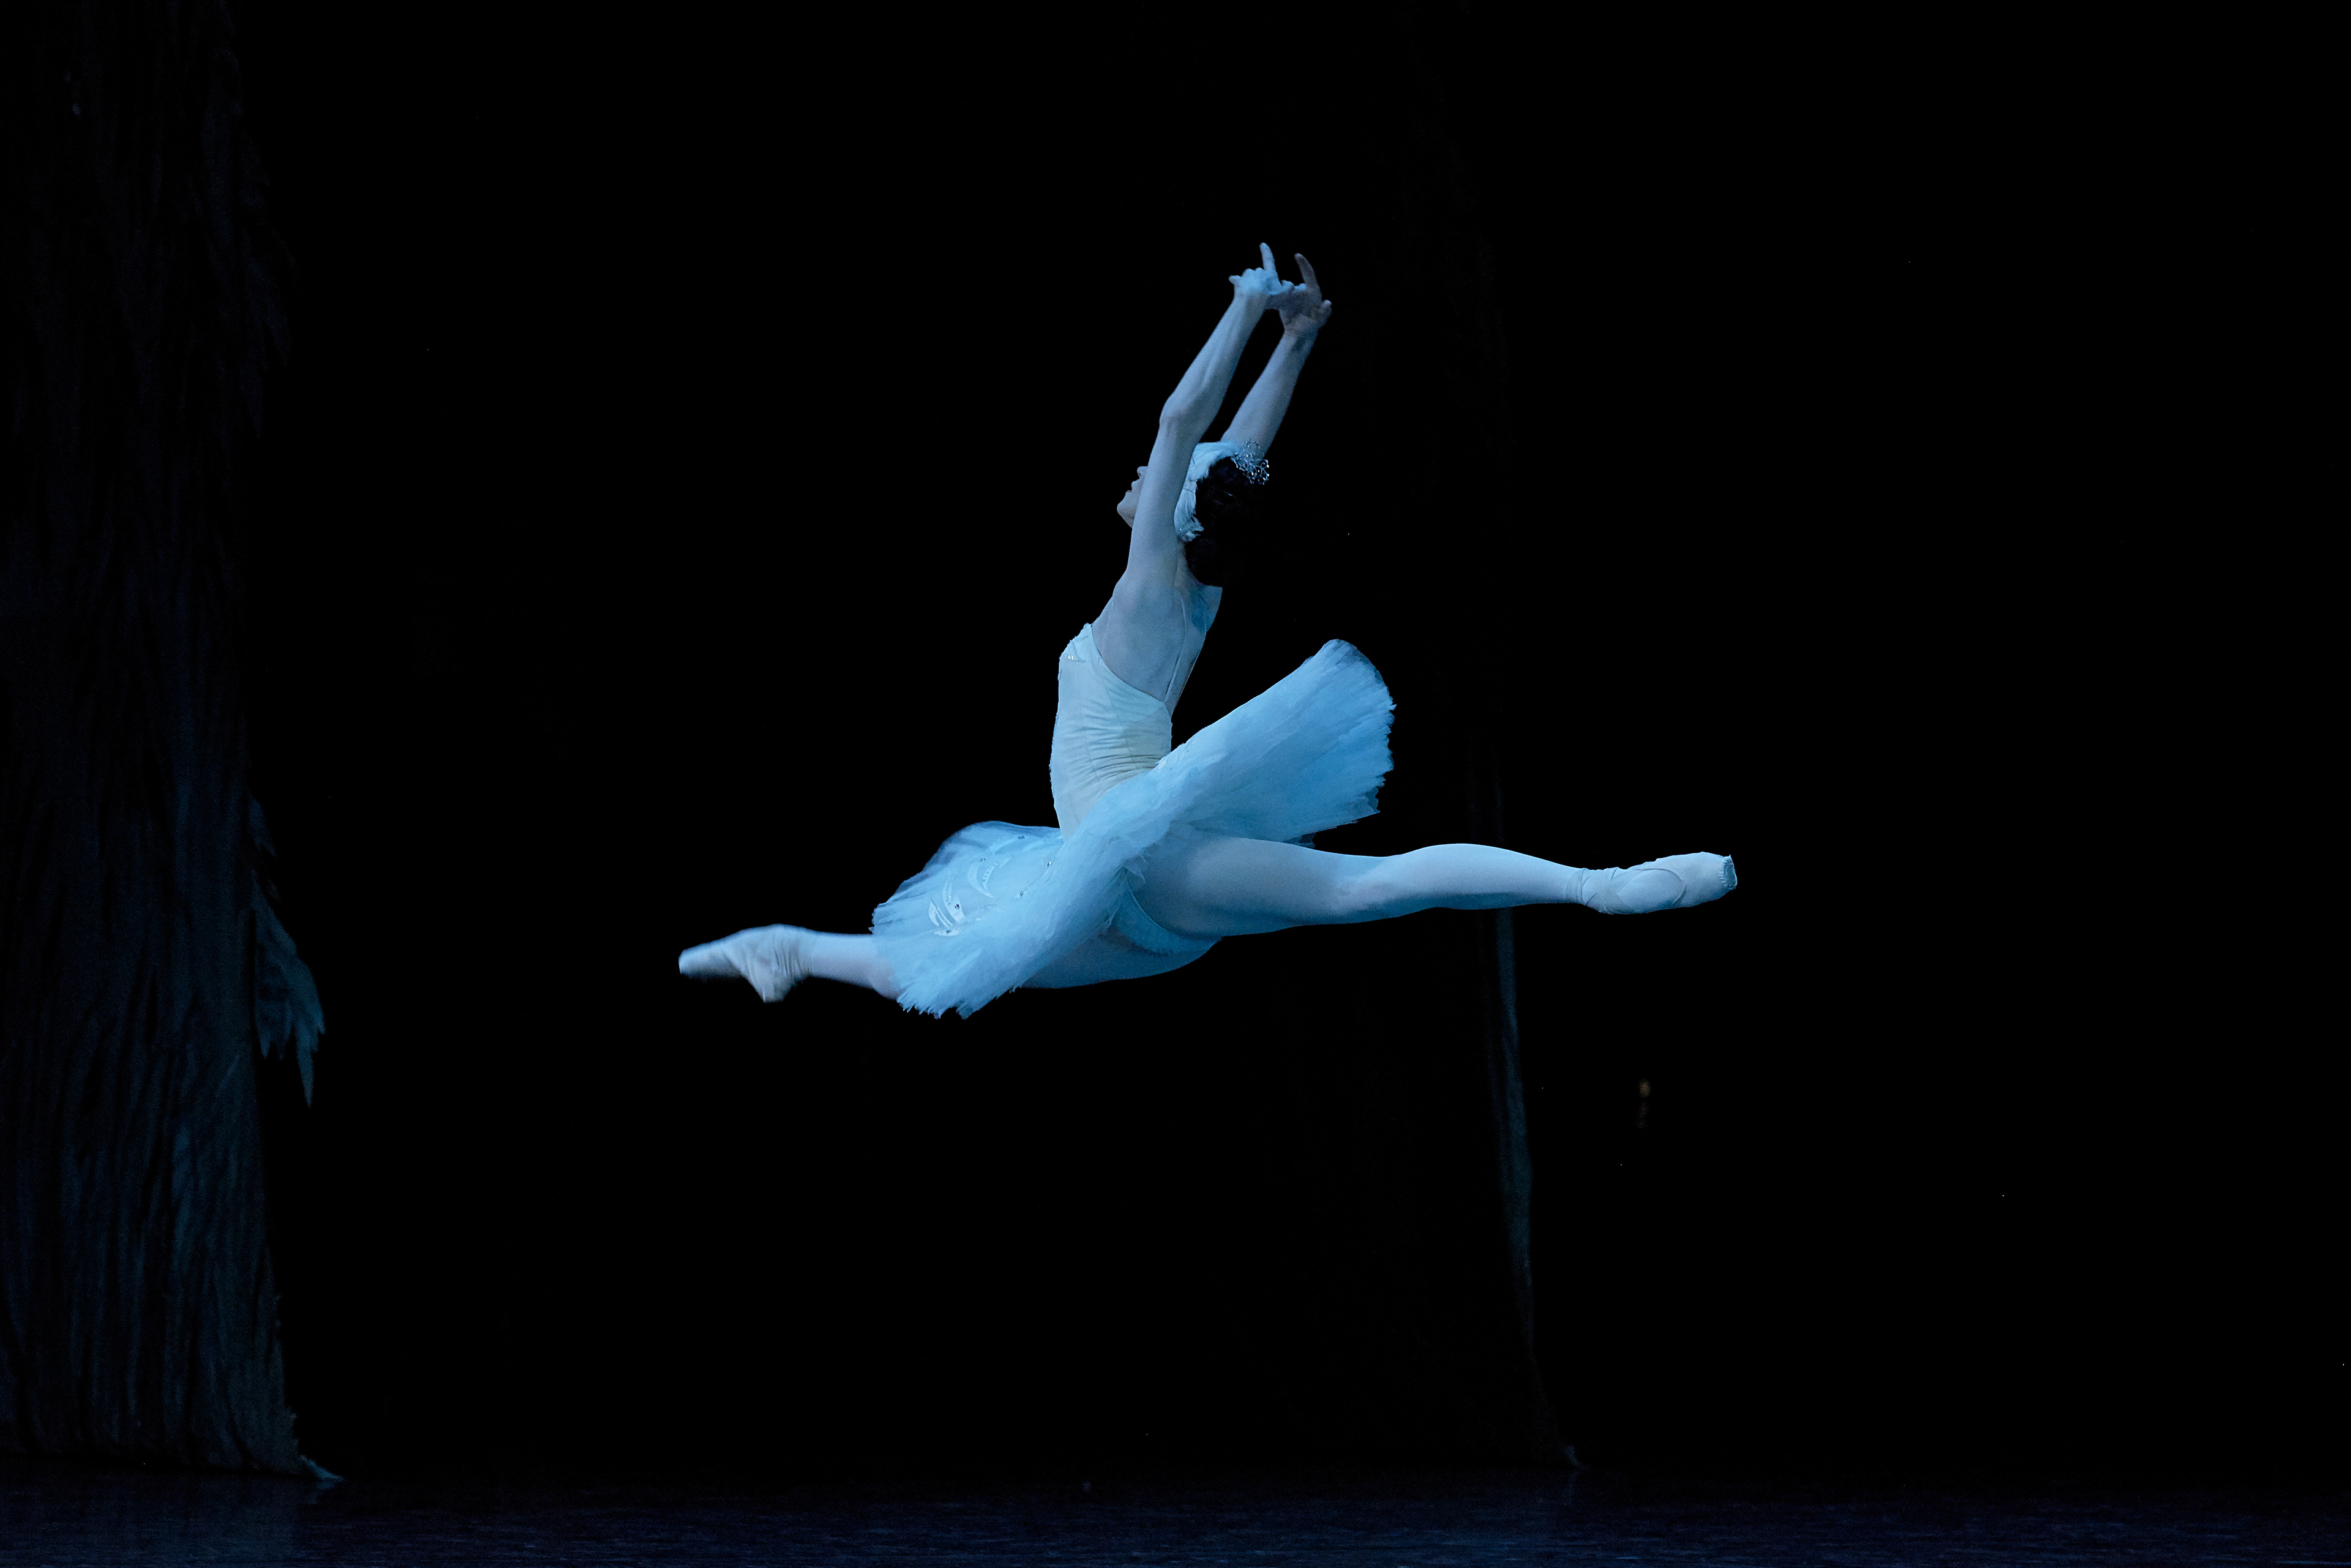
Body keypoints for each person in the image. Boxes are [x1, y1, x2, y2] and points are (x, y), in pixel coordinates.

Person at [680, 245, 1734, 1017]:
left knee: (1361, 888)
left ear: (1178, 509)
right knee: (948, 957)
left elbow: (1183, 426)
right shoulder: (1193, 581)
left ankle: (1601, 887)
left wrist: (1242, 310)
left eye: (1157, 482)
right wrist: (1297, 343)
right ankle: (788, 948)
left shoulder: (1156, 581)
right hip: (1116, 887)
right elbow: (1236, 459)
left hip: (1144, 861)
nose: (1140, 477)